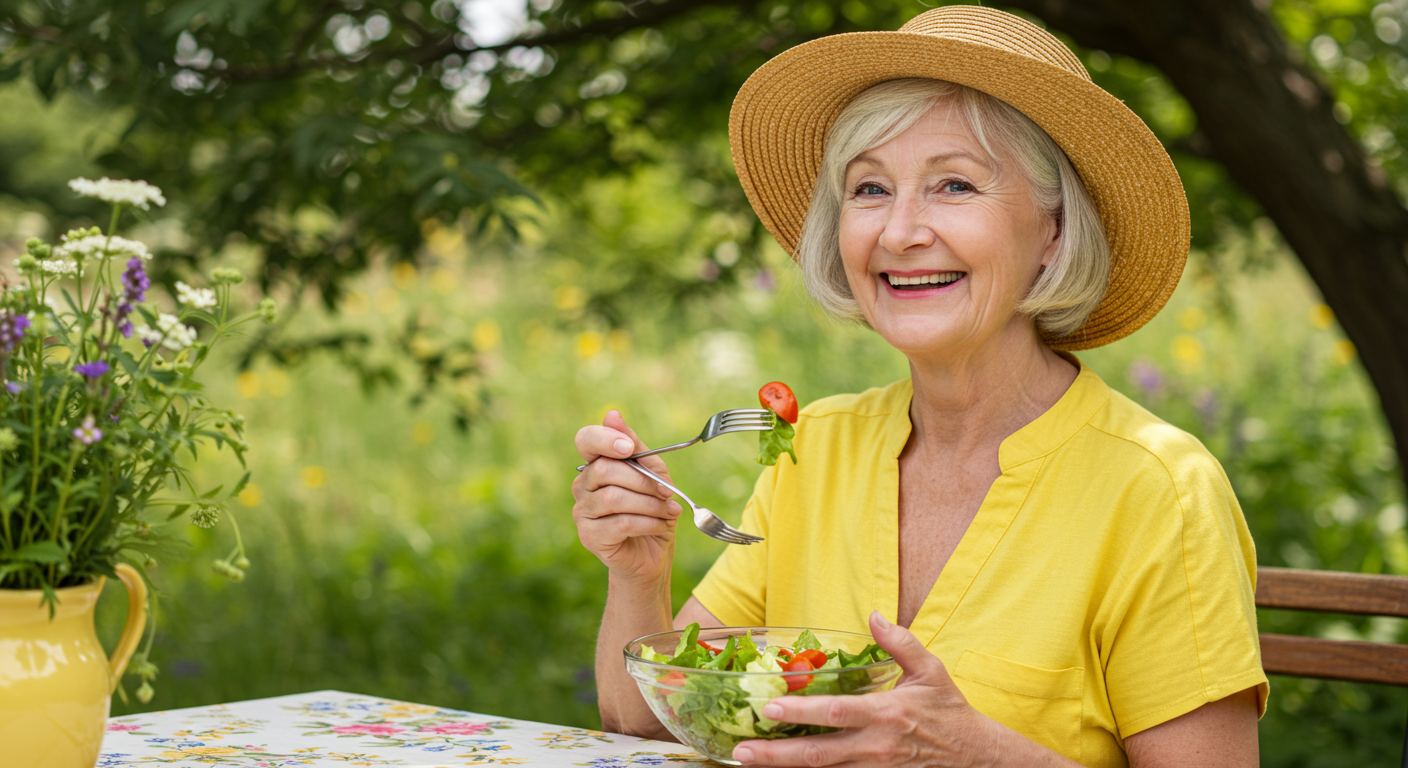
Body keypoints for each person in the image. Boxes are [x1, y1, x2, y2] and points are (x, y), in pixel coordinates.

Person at [571, 6, 1266, 767]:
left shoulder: (1160, 489)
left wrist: (975, 755)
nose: (899, 233)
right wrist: (639, 575)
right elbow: (641, 723)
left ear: (1054, 231)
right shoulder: (817, 447)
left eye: (955, 185)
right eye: (870, 189)